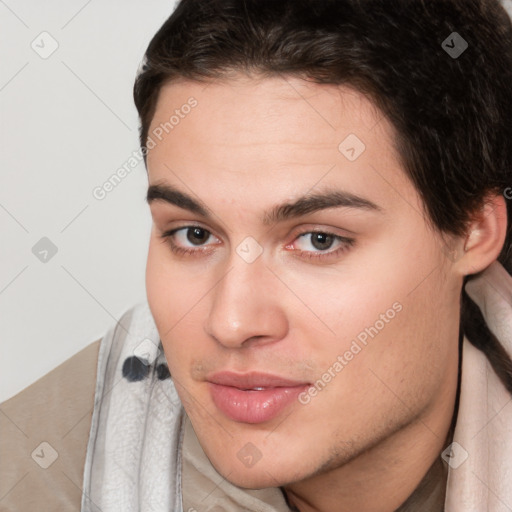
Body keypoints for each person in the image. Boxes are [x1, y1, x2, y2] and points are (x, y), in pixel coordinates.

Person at [2, 0, 512, 510]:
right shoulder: (27, 478)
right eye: (194, 235)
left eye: (319, 240)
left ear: (473, 231)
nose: (231, 322)